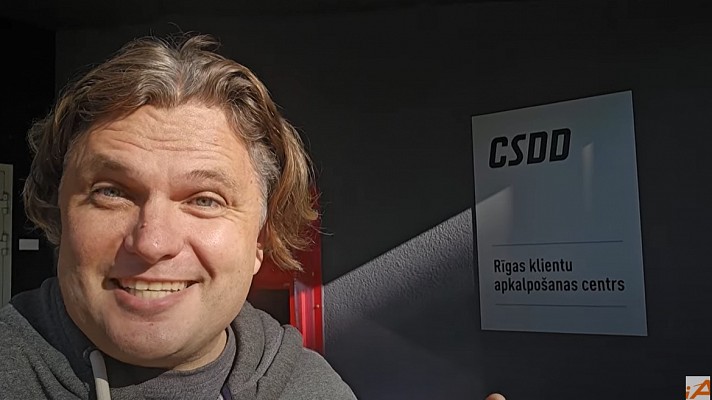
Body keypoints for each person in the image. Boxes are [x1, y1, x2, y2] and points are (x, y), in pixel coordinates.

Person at [0, 32, 356, 399]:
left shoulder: (315, 390)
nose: (152, 243)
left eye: (205, 200)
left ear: (260, 241)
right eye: (111, 192)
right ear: (57, 215)